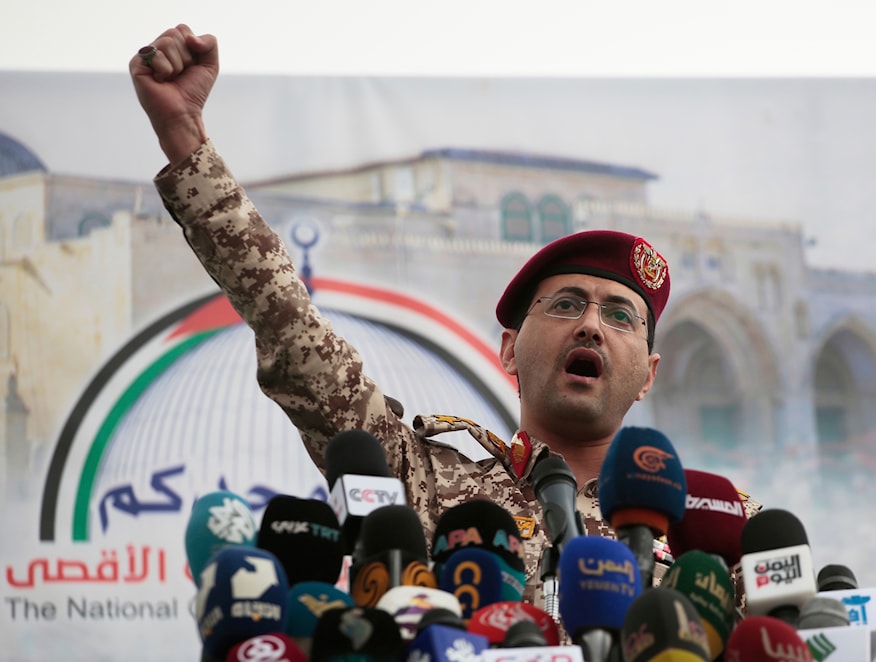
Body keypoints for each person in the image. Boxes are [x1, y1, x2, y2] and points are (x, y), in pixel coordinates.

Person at [129, 25, 758, 608]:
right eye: (566, 305)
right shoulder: (421, 486)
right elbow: (290, 328)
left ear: (648, 375)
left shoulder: (716, 526)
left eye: (620, 315)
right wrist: (186, 140)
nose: (592, 324)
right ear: (509, 351)